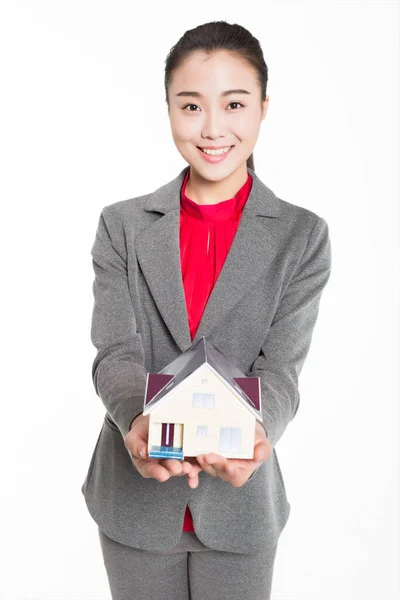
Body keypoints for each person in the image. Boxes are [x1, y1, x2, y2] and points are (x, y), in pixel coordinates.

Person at [81, 20, 332, 600]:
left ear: (264, 109)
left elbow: (280, 369)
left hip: (240, 506)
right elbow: (115, 351)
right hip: (134, 501)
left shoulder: (302, 236)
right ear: (167, 108)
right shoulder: (121, 226)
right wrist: (135, 423)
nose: (213, 128)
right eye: (191, 105)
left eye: (235, 104)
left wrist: (258, 431)